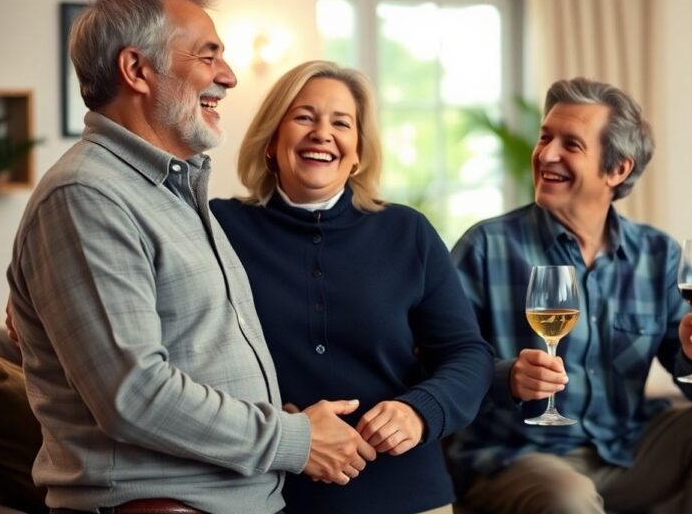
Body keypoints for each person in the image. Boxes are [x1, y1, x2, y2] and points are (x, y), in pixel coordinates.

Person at [6, 0, 373, 514]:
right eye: (208, 56)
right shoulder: (86, 195)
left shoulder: (171, 192)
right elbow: (134, 394)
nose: (227, 76)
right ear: (137, 70)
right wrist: (295, 438)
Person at [448, 77, 692, 514]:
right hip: (520, 457)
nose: (546, 154)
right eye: (545, 137)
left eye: (571, 145)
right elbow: (434, 362)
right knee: (567, 496)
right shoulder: (487, 247)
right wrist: (507, 378)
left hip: (624, 450)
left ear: (618, 170)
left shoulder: (658, 255)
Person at [209, 60, 493, 514]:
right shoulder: (219, 228)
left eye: (341, 123)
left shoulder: (408, 232)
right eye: (304, 117)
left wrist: (419, 412)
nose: (323, 133)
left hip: (406, 491)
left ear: (358, 151)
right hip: (269, 492)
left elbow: (468, 353)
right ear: (271, 141)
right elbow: (195, 356)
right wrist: (278, 426)